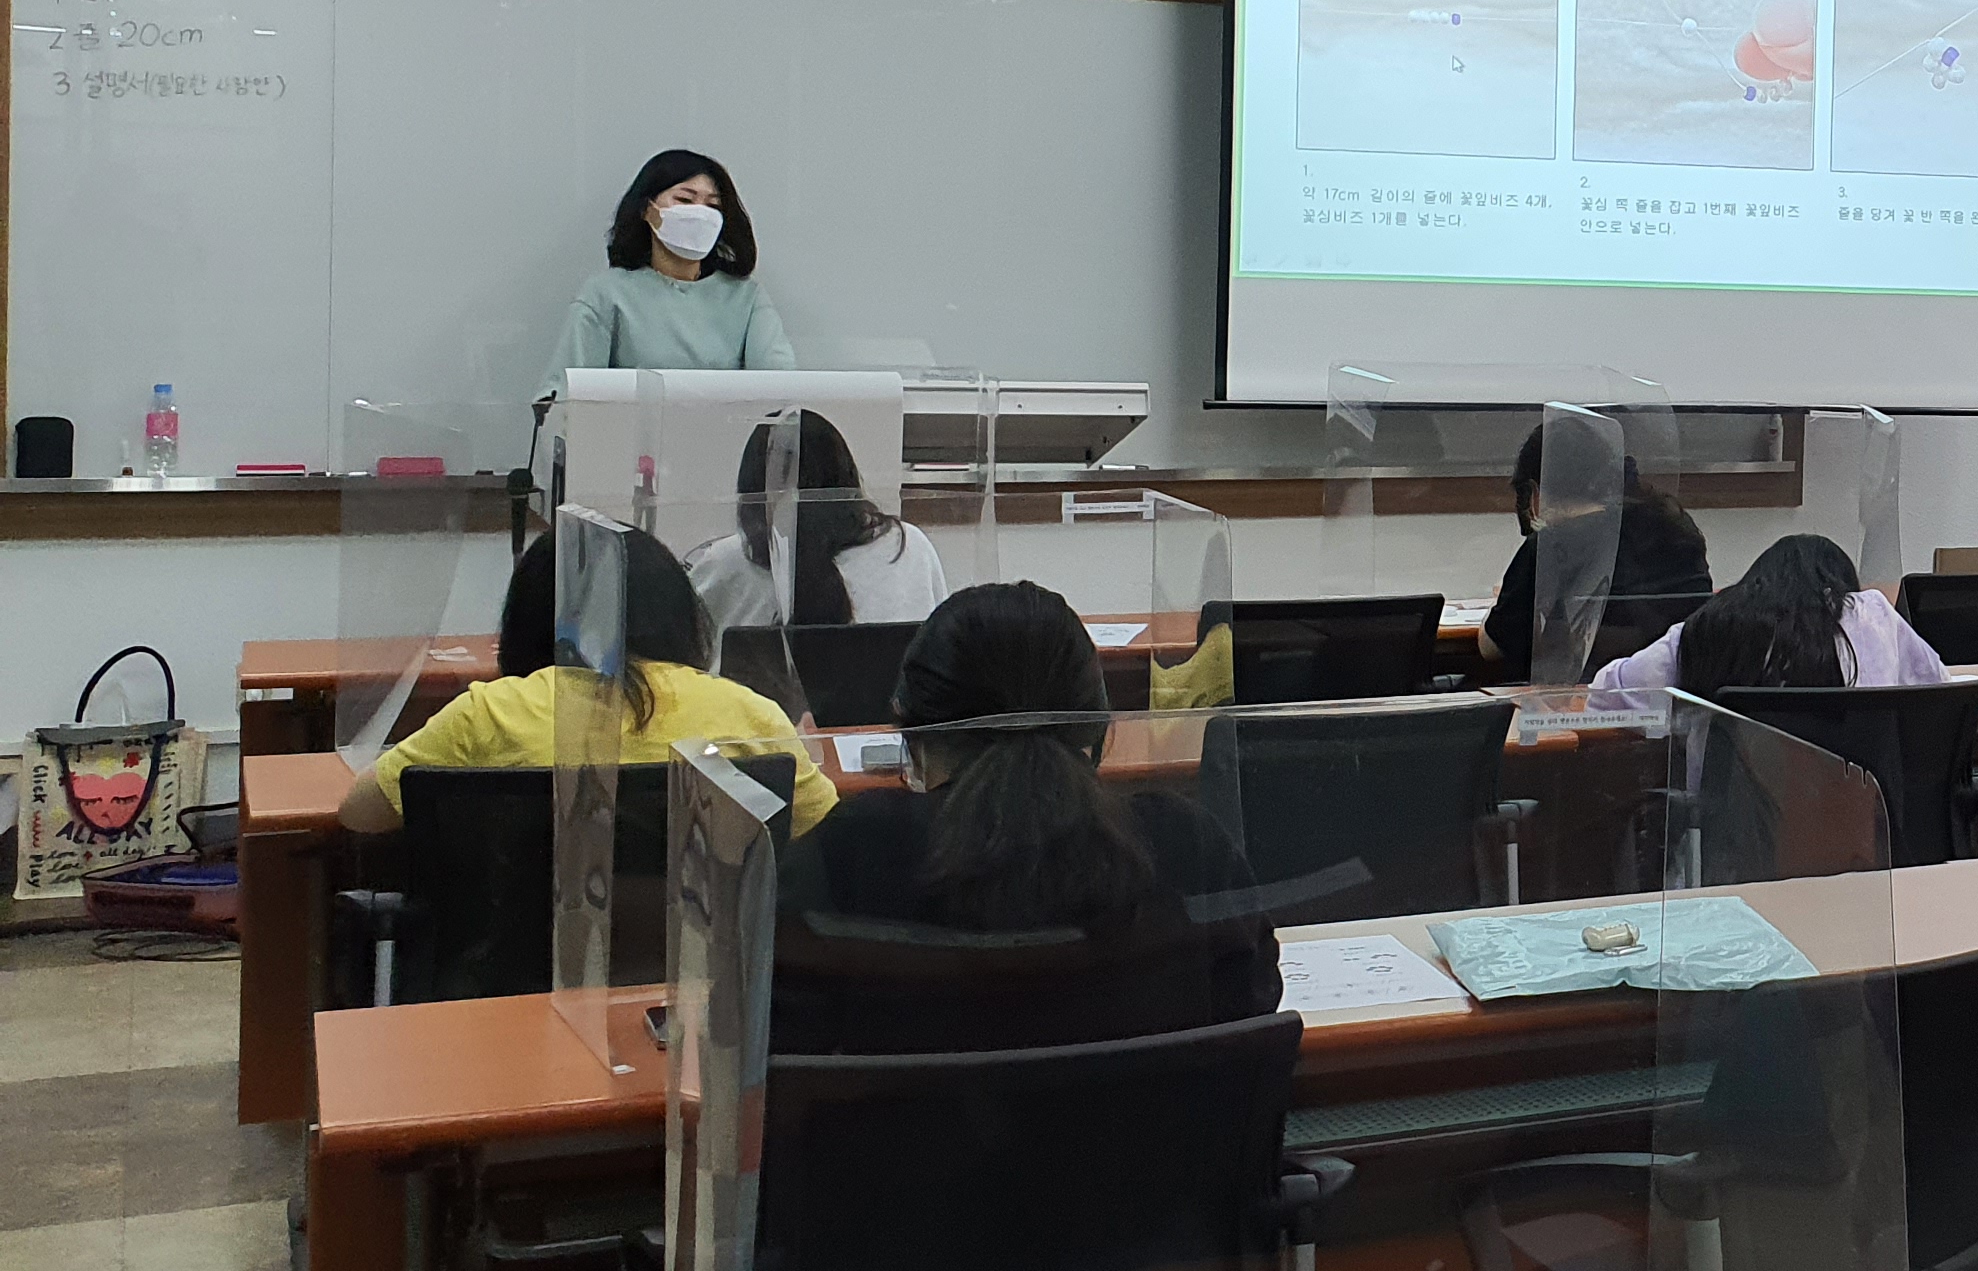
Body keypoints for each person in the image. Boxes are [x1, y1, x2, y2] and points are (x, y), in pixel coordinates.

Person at [773, 581, 1276, 1054]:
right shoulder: (1186, 846)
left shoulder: (845, 858)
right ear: (1097, 728)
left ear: (915, 738)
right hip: (1146, 1123)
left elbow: (778, 1045)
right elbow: (1253, 1013)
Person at [340, 527, 835, 835]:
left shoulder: (492, 713)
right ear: (681, 615)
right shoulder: (747, 714)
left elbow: (360, 813)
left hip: (519, 962)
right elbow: (817, 827)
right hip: (700, 964)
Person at [1590, 533, 1946, 707]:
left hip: (1732, 819)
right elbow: (1939, 689)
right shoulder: (1870, 616)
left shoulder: (1712, 625)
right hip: (1857, 813)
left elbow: (1607, 693)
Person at [1479, 419, 1712, 682]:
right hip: (1678, 691)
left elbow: (1494, 647)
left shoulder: (1548, 547)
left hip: (1580, 699)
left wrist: (1496, 606)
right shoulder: (1674, 527)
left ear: (1535, 493)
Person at [686, 409, 948, 635]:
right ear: (846, 481)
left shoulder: (726, 562)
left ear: (752, 493)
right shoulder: (909, 546)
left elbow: (682, 658)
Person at [547, 148, 795, 383]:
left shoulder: (746, 298)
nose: (700, 214)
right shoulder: (606, 294)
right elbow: (567, 393)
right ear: (648, 210)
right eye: (685, 199)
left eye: (712, 206)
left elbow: (782, 388)